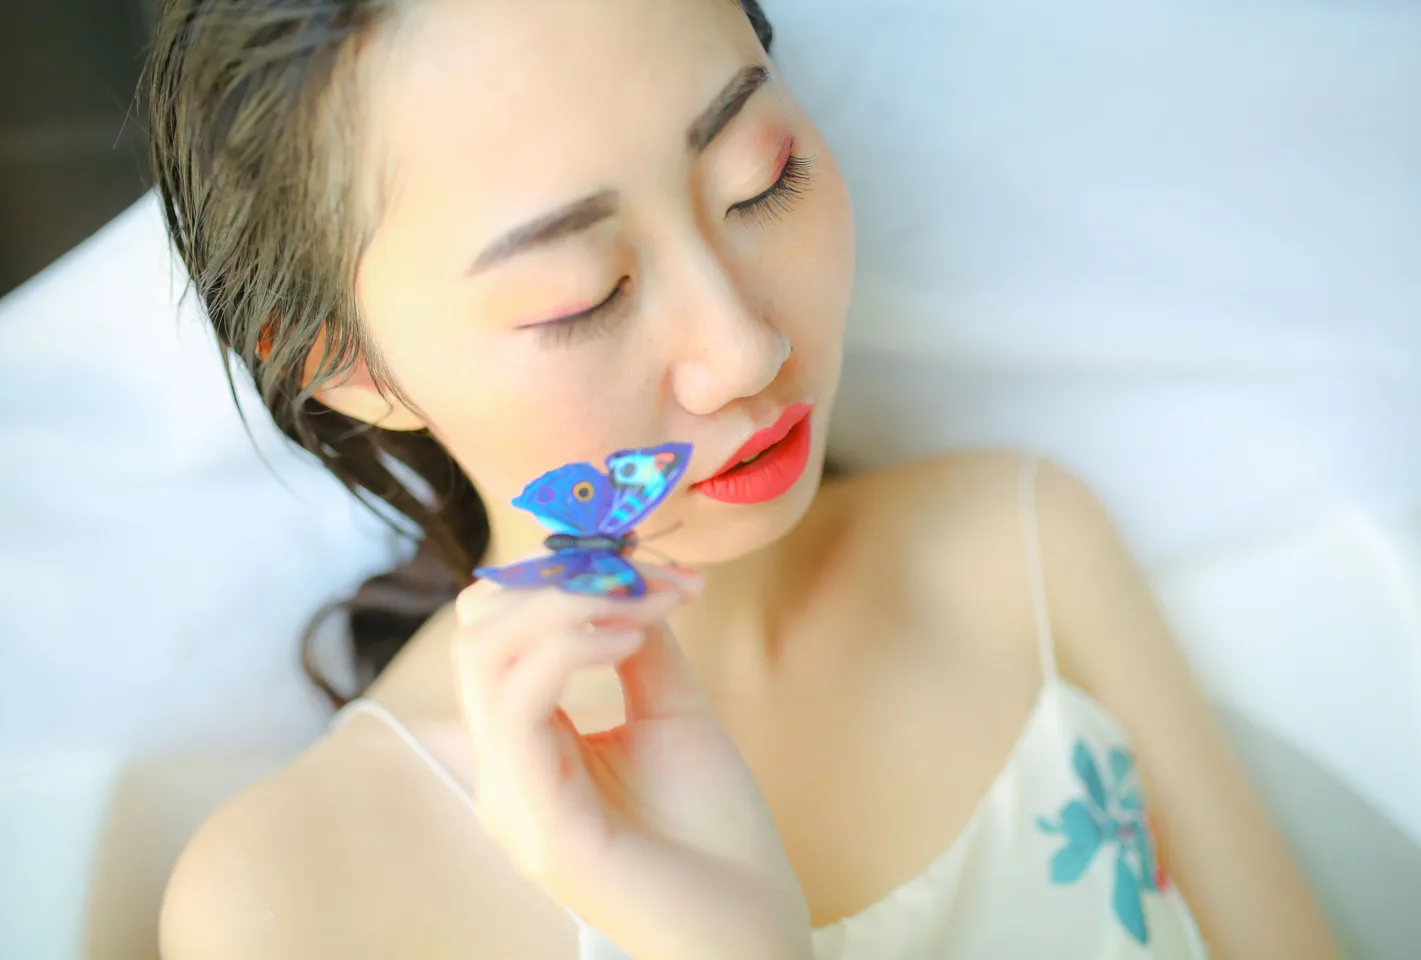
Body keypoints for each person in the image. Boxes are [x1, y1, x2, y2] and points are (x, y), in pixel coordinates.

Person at [145, 1, 1337, 957]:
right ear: (347, 368)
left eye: (761, 179)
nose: (746, 351)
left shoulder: (1013, 550)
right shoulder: (290, 900)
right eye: (584, 295)